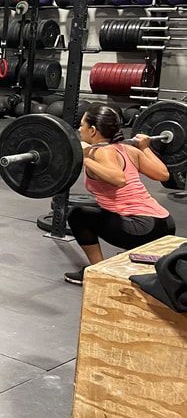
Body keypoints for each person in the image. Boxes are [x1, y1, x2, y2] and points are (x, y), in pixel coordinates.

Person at [64, 103, 176, 284]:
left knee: (78, 215)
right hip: (164, 224)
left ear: (92, 130)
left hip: (141, 228)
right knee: (97, 210)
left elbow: (118, 179)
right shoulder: (130, 150)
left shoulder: (100, 152)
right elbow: (163, 174)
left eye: (82, 124)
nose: (79, 128)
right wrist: (145, 147)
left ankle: (97, 272)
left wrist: (82, 157)